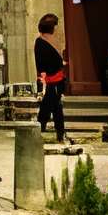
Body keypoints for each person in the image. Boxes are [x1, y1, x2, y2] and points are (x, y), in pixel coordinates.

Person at [32, 13, 69, 144]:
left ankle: (43, 130)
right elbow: (42, 63)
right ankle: (58, 133)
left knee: (50, 106)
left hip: (56, 80)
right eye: (55, 25)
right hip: (52, 80)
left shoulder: (47, 41)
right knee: (54, 106)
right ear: (51, 27)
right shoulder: (43, 42)